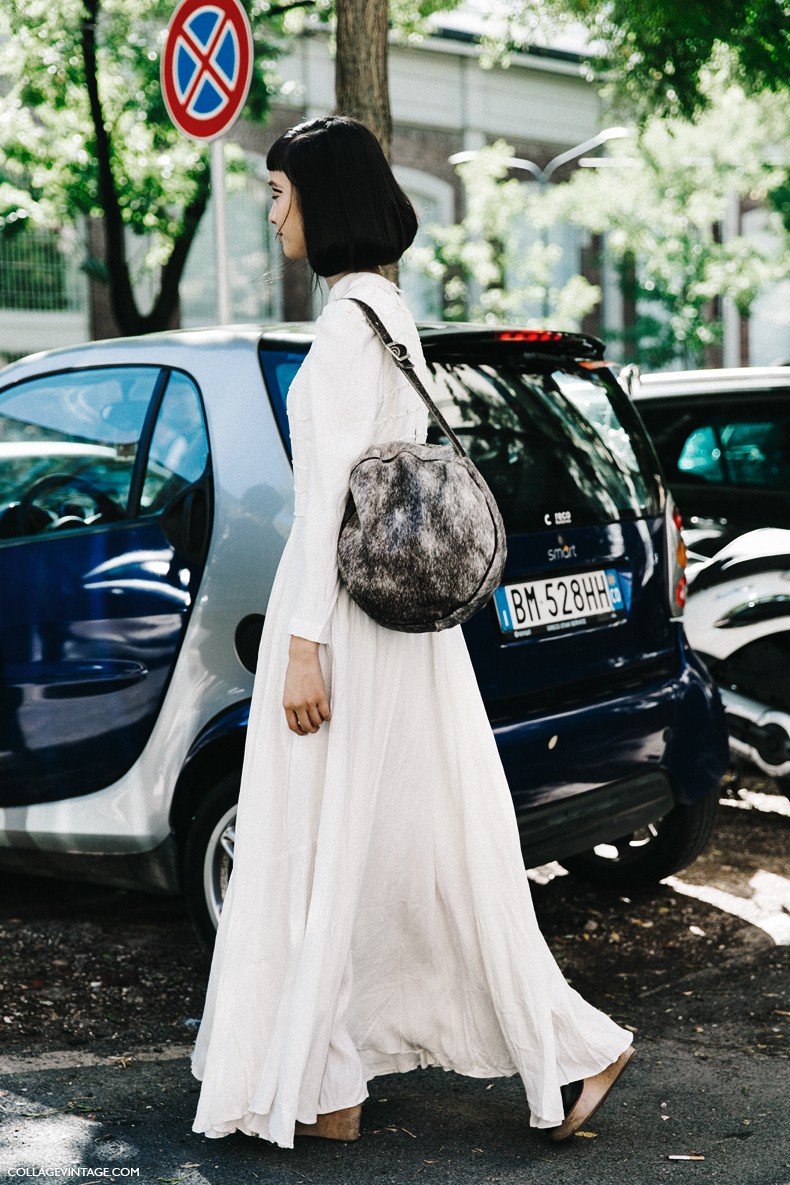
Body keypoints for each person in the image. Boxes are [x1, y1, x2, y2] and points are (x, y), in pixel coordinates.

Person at [191, 115, 635, 1150]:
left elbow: (325, 507)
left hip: (347, 629)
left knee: (328, 843)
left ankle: (393, 1063)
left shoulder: (352, 326)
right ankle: (337, 1070)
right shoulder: (389, 311)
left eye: (278, 191)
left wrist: (301, 644)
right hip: (401, 637)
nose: (272, 212)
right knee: (392, 848)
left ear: (322, 197)